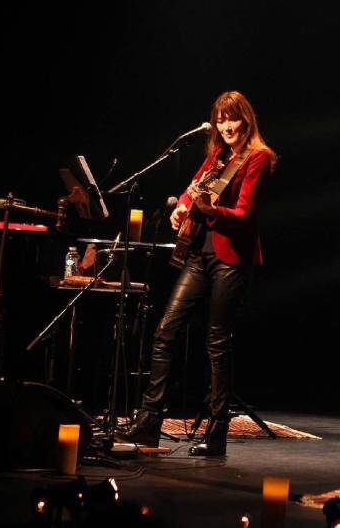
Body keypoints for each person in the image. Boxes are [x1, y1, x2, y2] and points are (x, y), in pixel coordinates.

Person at [117, 91, 275, 456]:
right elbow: (190, 193)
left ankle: (217, 434)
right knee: (165, 331)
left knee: (216, 342)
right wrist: (183, 209)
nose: (225, 126)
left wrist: (208, 211)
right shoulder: (216, 156)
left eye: (231, 118)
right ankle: (147, 425)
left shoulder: (258, 158)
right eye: (220, 119)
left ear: (245, 119)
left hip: (231, 258)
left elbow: (245, 214)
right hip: (198, 254)